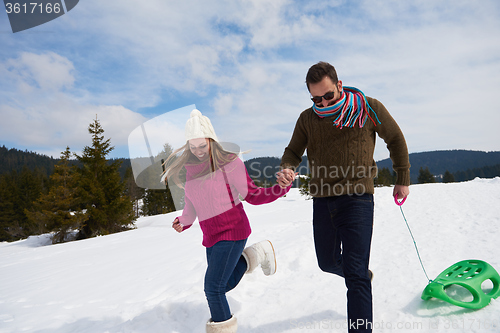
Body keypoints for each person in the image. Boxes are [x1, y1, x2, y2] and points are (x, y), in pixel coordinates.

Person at [277, 61, 410, 333]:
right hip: (323, 198)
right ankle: (357, 272)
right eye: (316, 99)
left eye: (327, 96)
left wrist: (402, 178)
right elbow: (293, 151)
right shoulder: (307, 118)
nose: (323, 104)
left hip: (357, 197)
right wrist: (288, 169)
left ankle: (358, 282)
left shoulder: (367, 107)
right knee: (327, 262)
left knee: (355, 277)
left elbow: (395, 138)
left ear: (339, 85)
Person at [162, 109, 292, 333]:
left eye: (202, 146)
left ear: (212, 141)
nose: (198, 151)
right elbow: (192, 205)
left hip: (234, 231)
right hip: (211, 236)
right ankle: (257, 253)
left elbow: (253, 195)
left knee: (213, 289)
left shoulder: (230, 164)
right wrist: (183, 221)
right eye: (193, 147)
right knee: (226, 283)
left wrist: (280, 188)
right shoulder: (191, 170)